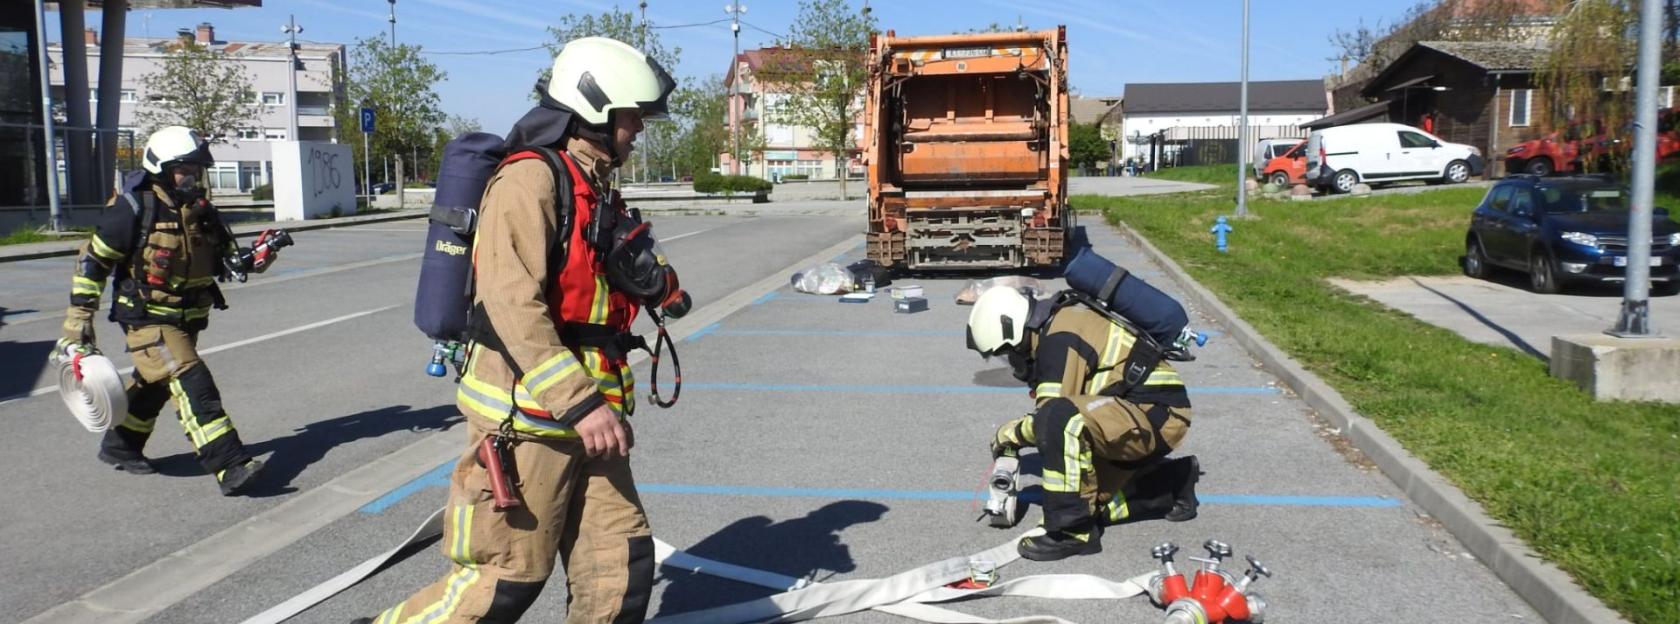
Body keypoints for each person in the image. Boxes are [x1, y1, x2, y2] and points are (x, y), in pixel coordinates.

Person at [356, 36, 676, 624]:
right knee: (502, 582)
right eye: (632, 118)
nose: (638, 130)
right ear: (596, 113)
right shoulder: (529, 182)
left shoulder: (595, 182)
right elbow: (510, 303)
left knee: (620, 566)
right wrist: (580, 404)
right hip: (528, 418)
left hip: (590, 417)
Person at [61, 125, 273, 496]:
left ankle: (121, 445)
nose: (191, 177)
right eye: (183, 169)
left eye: (196, 170)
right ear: (160, 167)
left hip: (188, 318)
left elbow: (227, 263)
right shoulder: (132, 208)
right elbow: (92, 262)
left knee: (157, 384)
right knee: (192, 383)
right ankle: (230, 465)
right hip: (148, 319)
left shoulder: (202, 211)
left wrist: (257, 257)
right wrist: (78, 324)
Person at [966, 286, 1201, 562]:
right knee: (1088, 504)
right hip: (1142, 413)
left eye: (1008, 352)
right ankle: (1174, 484)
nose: (1012, 360)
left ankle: (1072, 532)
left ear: (1015, 330)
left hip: (1154, 415)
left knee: (1058, 421)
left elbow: (1049, 418)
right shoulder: (1058, 324)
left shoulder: (1059, 338)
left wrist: (1009, 435)